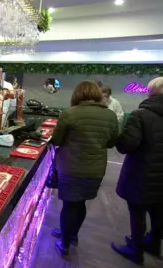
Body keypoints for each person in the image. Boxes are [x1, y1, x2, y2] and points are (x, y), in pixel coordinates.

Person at [50, 81, 119, 256]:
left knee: (69, 205)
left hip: (71, 167)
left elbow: (56, 141)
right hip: (95, 170)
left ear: (77, 94)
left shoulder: (69, 113)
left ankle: (64, 243)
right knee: (80, 203)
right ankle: (73, 235)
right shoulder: (110, 115)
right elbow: (111, 143)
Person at [111, 77, 163, 265]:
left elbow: (128, 145)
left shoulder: (140, 115)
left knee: (137, 212)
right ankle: (154, 244)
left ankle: (136, 249)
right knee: (158, 211)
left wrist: (118, 138)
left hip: (142, 174)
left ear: (150, 92)